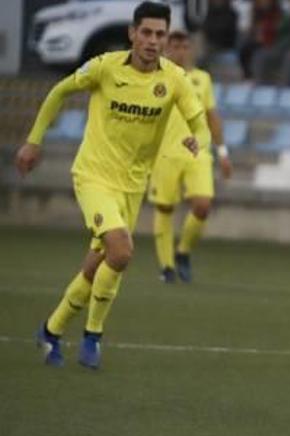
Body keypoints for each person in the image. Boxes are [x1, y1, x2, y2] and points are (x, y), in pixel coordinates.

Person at [15, 1, 205, 369]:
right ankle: (93, 336)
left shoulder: (174, 79)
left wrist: (199, 140)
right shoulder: (104, 67)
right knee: (121, 251)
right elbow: (59, 91)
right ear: (132, 33)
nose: (153, 41)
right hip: (93, 176)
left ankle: (51, 331)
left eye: (160, 34)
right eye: (146, 32)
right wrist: (34, 140)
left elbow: (199, 122)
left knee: (100, 261)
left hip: (132, 185)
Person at [150, 31, 233, 283]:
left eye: (184, 46)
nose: (180, 51)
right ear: (166, 49)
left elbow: (212, 116)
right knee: (165, 207)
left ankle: (183, 251)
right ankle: (166, 266)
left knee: (203, 205)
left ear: (191, 50)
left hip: (197, 151)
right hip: (164, 153)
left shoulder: (202, 79)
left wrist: (223, 151)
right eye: (174, 46)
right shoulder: (155, 77)